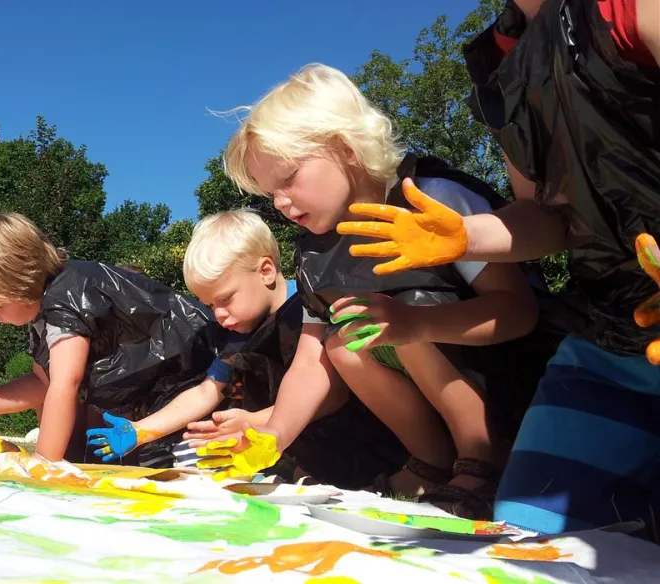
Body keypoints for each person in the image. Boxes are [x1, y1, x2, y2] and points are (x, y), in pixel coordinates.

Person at [335, 0, 660, 539]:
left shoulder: (627, 9)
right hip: (611, 340)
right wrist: (468, 236)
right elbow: (549, 215)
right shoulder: (499, 59)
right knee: (532, 536)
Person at [208, 63, 555, 518]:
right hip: (432, 359)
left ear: (345, 148)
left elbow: (519, 311)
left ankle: (484, 457)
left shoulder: (429, 199)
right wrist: (274, 434)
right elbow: (311, 361)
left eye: (289, 179)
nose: (280, 202)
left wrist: (415, 323)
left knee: (397, 312)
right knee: (341, 341)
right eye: (270, 192)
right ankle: (431, 462)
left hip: (514, 374)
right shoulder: (315, 251)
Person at [0, 213, 223, 468]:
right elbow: (44, 383)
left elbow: (63, 385)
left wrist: (44, 464)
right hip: (167, 397)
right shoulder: (46, 308)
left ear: (17, 284)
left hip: (201, 382)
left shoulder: (66, 298)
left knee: (181, 481)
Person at [150, 210, 407, 488]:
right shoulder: (238, 333)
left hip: (363, 436)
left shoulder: (310, 309)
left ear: (266, 272)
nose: (219, 315)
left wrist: (253, 421)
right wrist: (141, 430)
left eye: (225, 299)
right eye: (211, 305)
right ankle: (299, 467)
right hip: (295, 440)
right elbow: (206, 391)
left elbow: (332, 393)